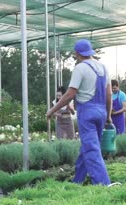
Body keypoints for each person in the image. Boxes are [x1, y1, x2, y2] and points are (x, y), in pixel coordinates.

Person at [47, 39, 112, 186]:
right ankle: (77, 181)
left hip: (87, 113)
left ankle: (104, 185)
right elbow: (108, 95)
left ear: (77, 53)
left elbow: (70, 94)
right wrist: (108, 115)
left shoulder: (80, 68)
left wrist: (52, 110)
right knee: (87, 147)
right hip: (101, 112)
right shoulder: (103, 68)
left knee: (92, 150)